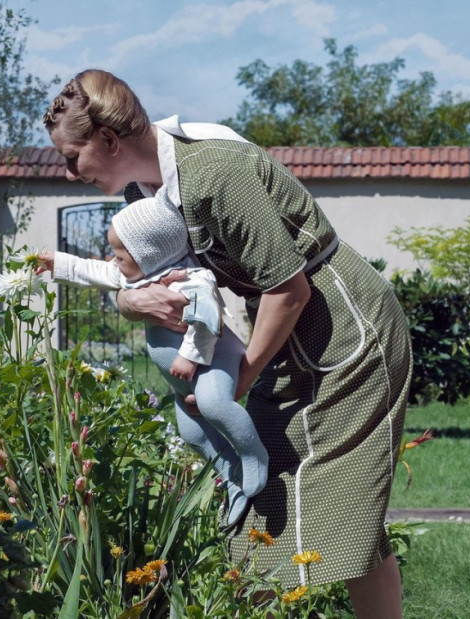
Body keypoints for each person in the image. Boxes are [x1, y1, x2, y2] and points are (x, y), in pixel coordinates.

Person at [42, 69, 413, 618]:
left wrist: (240, 381)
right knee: (272, 499)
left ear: (109, 141)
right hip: (292, 339)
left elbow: (289, 288)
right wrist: (129, 302)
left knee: (337, 510)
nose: (70, 173)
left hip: (347, 335)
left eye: (72, 158)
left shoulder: (212, 174)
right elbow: (144, 277)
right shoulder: (149, 192)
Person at [36, 189, 268, 526]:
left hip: (212, 361)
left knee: (216, 405)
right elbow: (94, 271)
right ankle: (231, 474)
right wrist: (56, 262)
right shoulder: (139, 275)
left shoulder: (192, 279)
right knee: (192, 434)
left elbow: (208, 319)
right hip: (182, 380)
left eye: (119, 254)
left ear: (148, 253)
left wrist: (189, 357)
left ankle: (253, 455)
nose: (113, 260)